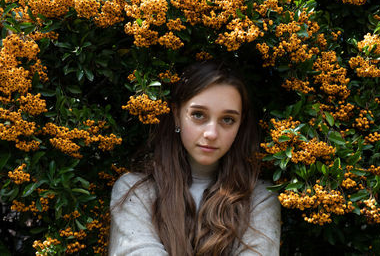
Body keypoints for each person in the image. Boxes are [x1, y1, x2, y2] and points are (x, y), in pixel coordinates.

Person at [109, 61, 281, 256]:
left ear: (240, 125)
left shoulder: (259, 199)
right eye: (198, 115)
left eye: (227, 119)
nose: (211, 133)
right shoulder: (136, 192)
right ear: (176, 115)